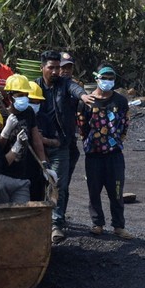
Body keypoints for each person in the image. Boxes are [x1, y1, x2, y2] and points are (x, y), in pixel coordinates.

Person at [34, 50, 95, 243]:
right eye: (51, 67)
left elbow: (75, 89)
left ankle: (56, 224)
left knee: (59, 185)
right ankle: (39, 218)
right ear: (42, 68)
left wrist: (84, 97)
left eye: (57, 68)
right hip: (37, 143)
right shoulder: (34, 86)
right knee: (37, 182)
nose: (55, 71)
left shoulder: (65, 84)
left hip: (60, 143)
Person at [77, 64, 134, 239]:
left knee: (116, 191)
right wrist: (92, 142)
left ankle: (118, 226)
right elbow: (82, 126)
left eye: (111, 79)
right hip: (93, 154)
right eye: (104, 78)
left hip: (114, 154)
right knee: (94, 190)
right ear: (97, 79)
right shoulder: (87, 101)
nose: (108, 82)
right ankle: (97, 223)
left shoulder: (120, 101)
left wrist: (115, 141)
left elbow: (125, 124)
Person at [0, 74, 49, 201]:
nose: (24, 99)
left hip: (23, 174)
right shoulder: (1, 115)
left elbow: (36, 140)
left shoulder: (29, 113)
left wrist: (44, 164)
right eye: (20, 95)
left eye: (26, 95)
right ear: (10, 97)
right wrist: (6, 130)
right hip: (3, 174)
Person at [58, 51, 82, 203]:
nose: (66, 71)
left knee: (65, 182)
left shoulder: (75, 86)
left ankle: (60, 217)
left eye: (69, 68)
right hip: (52, 141)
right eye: (63, 67)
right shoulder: (50, 87)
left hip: (69, 140)